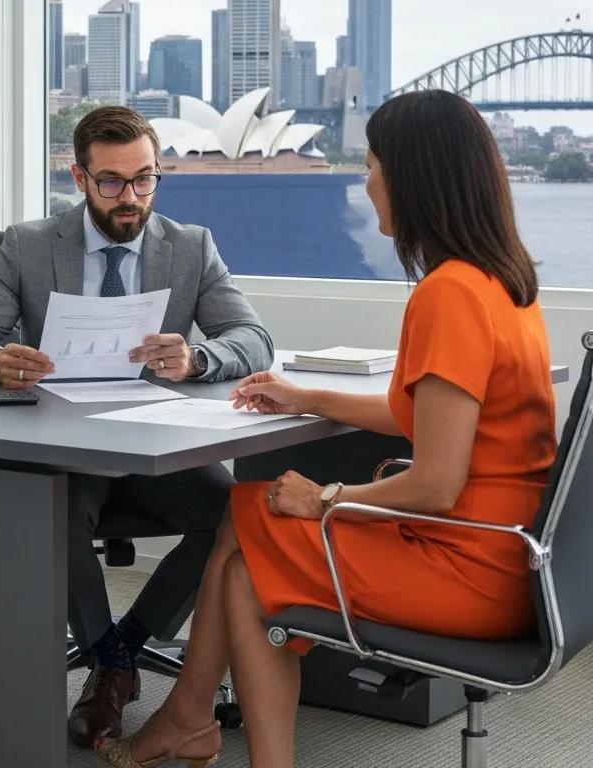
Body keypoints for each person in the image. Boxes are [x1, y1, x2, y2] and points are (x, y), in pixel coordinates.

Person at [97, 90, 557, 768]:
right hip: (512, 559)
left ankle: (195, 722)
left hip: (467, 567)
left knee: (248, 550)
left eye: (372, 165)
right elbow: (424, 419)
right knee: (243, 523)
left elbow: (433, 484)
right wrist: (307, 397)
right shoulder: (503, 284)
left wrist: (327, 499)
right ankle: (191, 720)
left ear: (412, 177)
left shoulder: (449, 295)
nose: (365, 182)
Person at [0, 105, 274, 749]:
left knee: (236, 515)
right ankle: (110, 664)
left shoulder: (190, 246)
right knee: (53, 511)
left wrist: (199, 357)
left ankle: (118, 652)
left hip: (155, 445)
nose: (132, 198)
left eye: (145, 180)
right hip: (68, 444)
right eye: (113, 182)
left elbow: (253, 339)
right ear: (80, 178)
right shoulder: (32, 245)